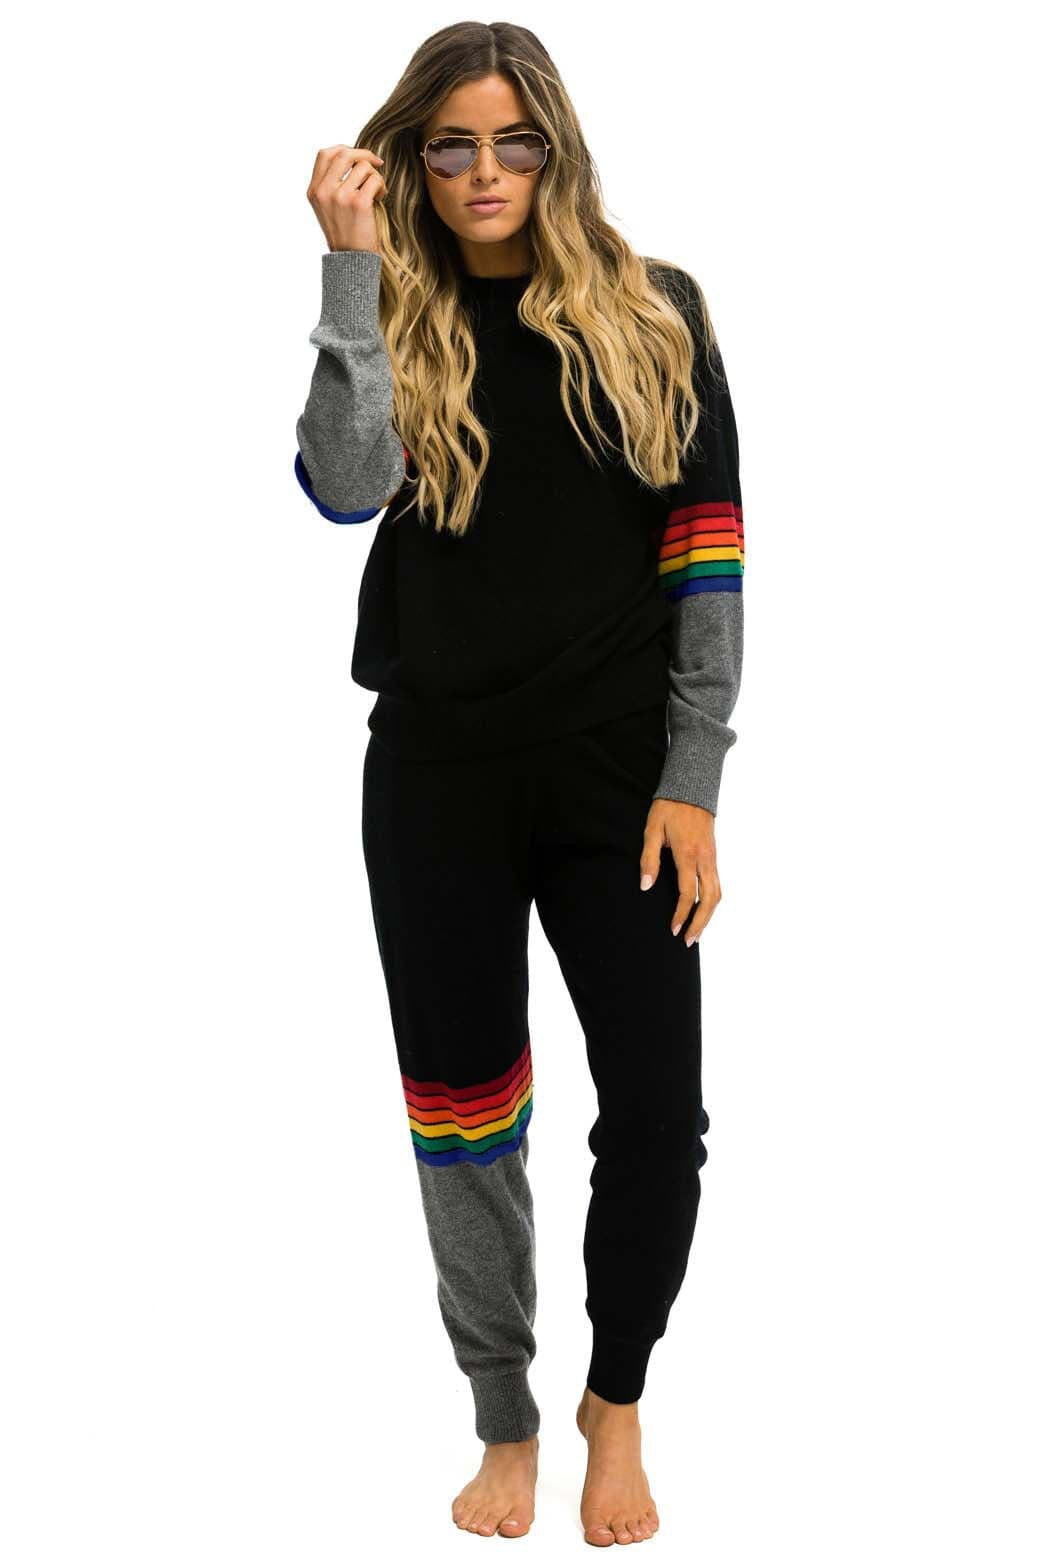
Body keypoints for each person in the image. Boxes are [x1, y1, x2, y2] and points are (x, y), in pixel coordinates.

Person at [293, 21, 744, 1547]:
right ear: (412, 161)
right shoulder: (391, 314)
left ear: (555, 149)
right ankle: (505, 1413)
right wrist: (349, 270)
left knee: (660, 1114)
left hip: (621, 780)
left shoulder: (657, 310)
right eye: (452, 147)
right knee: (466, 1115)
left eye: (513, 142)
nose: (485, 174)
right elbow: (346, 484)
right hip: (437, 777)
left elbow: (708, 556)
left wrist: (693, 777)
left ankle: (617, 1397)